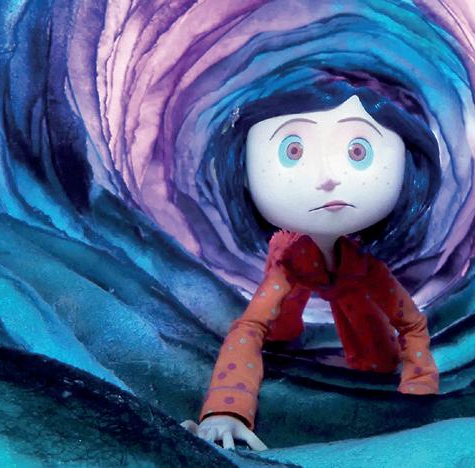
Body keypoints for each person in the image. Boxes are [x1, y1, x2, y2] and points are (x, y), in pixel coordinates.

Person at [180, 75, 442, 451]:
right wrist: (226, 408)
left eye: (357, 151)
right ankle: (288, 333)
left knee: (377, 361)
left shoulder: (365, 269)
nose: (328, 178)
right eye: (293, 151)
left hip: (347, 279)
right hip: (294, 265)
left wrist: (419, 388)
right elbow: (249, 328)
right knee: (279, 328)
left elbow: (411, 322)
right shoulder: (288, 262)